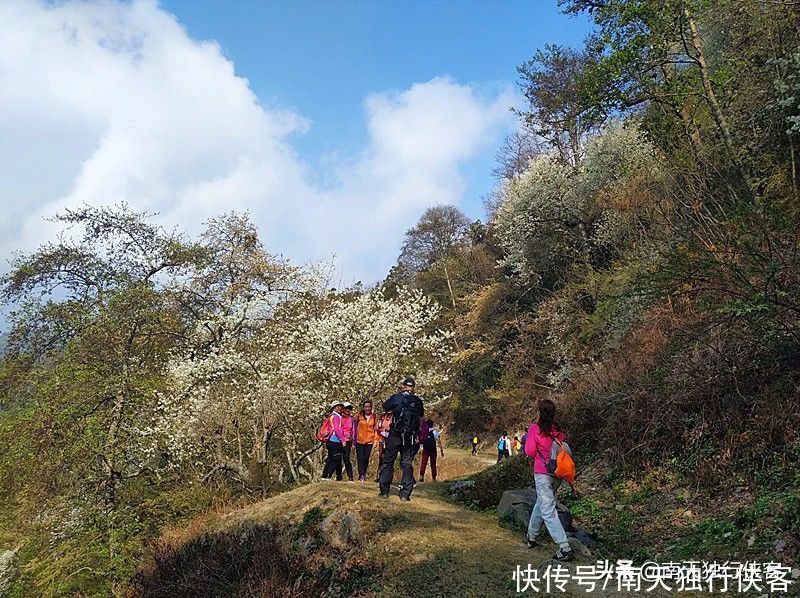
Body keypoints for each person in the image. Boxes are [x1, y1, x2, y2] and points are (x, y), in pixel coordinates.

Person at [524, 399, 573, 561]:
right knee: (542, 503)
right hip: (557, 474)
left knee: (548, 510)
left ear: (539, 412)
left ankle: (564, 547)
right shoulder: (557, 430)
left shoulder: (535, 429)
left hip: (542, 474)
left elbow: (530, 451)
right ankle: (531, 536)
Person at [378, 377, 424, 501]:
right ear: (414, 388)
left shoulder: (396, 398)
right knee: (406, 464)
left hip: (395, 435)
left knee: (388, 462)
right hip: (410, 438)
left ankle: (384, 492)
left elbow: (385, 406)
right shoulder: (418, 401)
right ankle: (405, 494)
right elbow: (421, 414)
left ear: (403, 386)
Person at [354, 400, 379, 482]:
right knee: (360, 458)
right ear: (363, 408)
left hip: (369, 440)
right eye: (366, 407)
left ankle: (363, 473)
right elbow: (354, 427)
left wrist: (375, 440)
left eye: (369, 407)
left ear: (371, 408)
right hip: (359, 440)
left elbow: (376, 429)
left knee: (366, 458)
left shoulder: (374, 417)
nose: (367, 408)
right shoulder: (358, 416)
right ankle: (361, 475)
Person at [321, 401, 345, 480]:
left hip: (330, 440)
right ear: (334, 408)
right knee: (335, 459)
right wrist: (342, 440)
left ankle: (324, 476)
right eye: (338, 407)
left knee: (330, 458)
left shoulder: (331, 416)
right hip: (335, 440)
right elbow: (337, 429)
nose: (340, 408)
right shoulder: (336, 417)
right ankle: (328, 475)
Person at [375, 410, 393, 482]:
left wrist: (389, 430)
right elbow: (377, 427)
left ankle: (389, 477)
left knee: (389, 458)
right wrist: (381, 431)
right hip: (382, 439)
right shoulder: (382, 417)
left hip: (391, 440)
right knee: (381, 458)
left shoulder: (394, 417)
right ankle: (380, 476)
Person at [340, 402, 355, 481]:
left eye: (349, 408)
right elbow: (339, 429)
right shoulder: (340, 418)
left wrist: (353, 442)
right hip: (340, 440)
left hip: (348, 441)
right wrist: (342, 439)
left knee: (346, 458)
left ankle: (350, 476)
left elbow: (353, 431)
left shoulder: (352, 419)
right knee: (338, 458)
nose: (348, 410)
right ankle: (338, 476)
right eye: (346, 408)